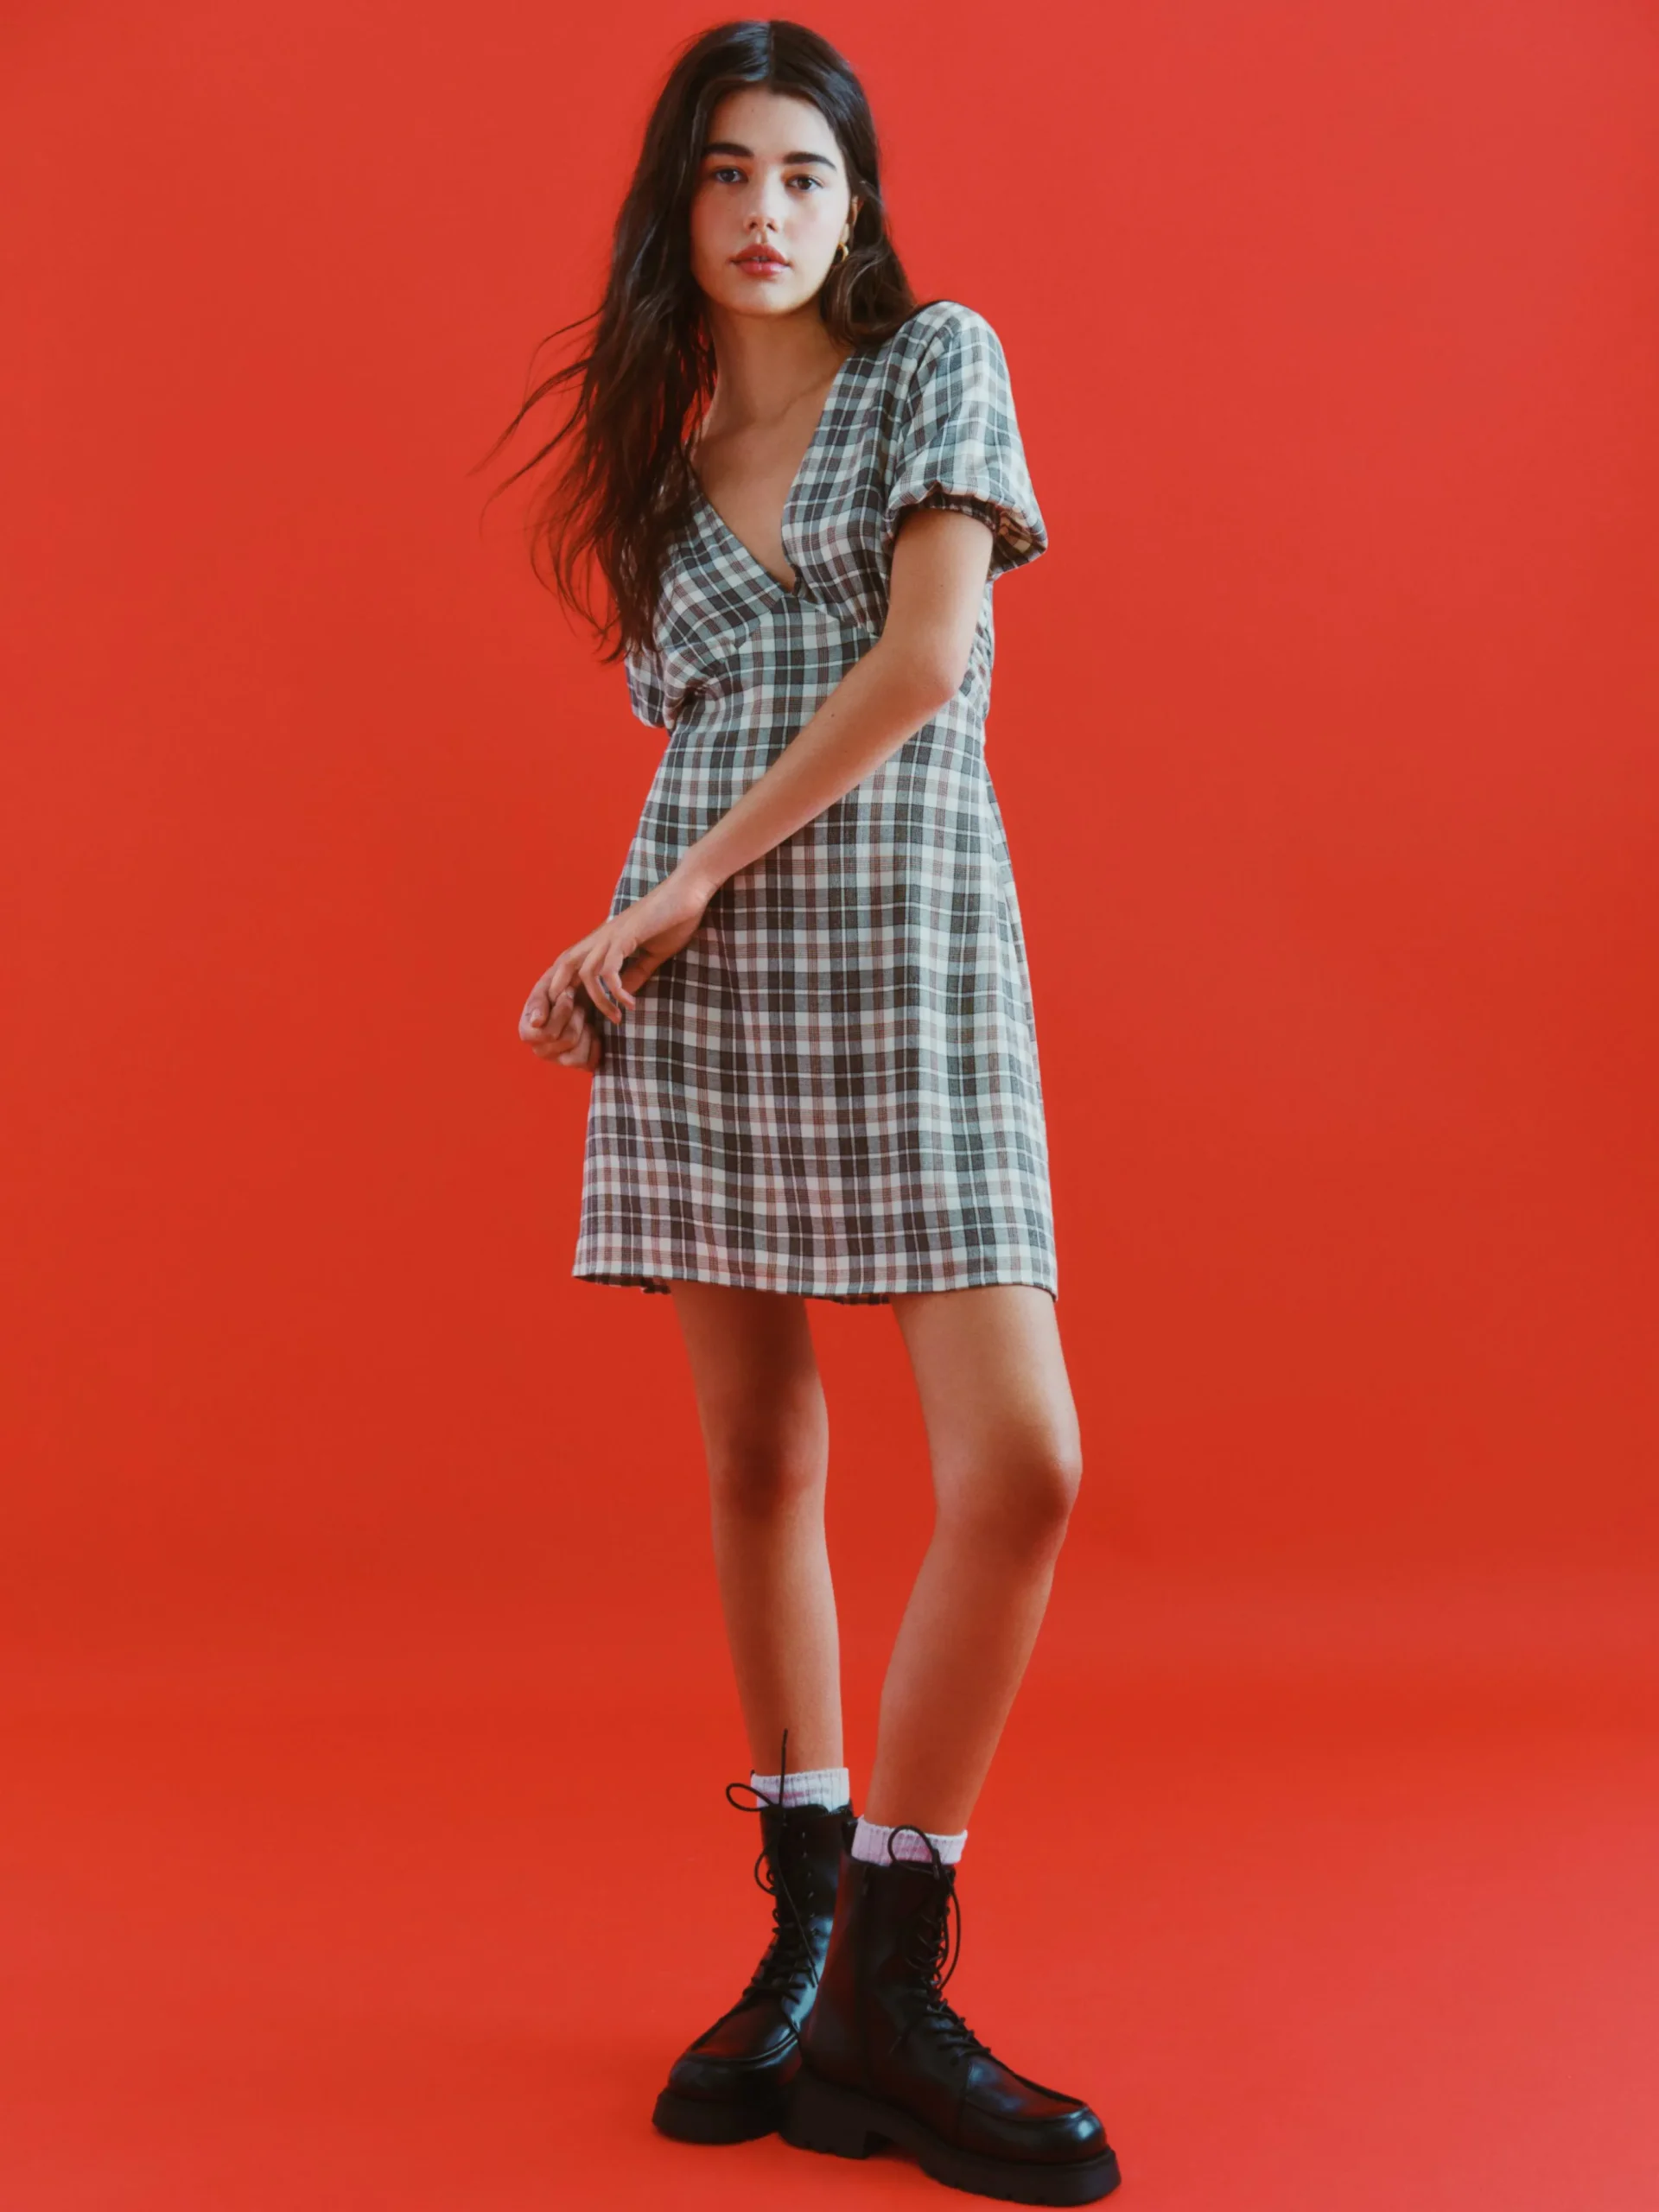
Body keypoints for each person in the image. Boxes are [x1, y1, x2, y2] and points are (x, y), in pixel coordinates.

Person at [493, 20, 1120, 2206]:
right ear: (675, 208)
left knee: (1021, 1463)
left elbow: (926, 661)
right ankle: (797, 1945)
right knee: (761, 1458)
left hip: (914, 963)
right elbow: (696, 742)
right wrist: (620, 937)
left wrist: (676, 887)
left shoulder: (939, 363)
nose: (766, 211)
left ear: (857, 210)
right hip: (708, 988)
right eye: (727, 173)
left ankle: (882, 1972)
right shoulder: (663, 492)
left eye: (806, 175)